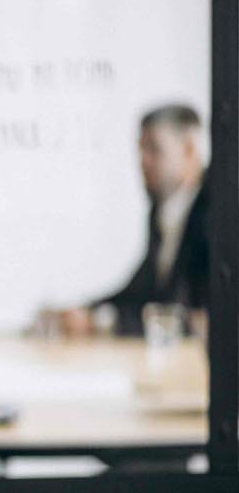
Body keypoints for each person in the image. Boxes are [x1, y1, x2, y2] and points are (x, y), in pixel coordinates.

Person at [60, 104, 210, 337]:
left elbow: (190, 315)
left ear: (190, 149)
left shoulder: (218, 212)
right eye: (141, 150)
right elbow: (143, 290)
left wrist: (103, 321)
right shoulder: (162, 211)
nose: (144, 162)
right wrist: (89, 311)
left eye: (155, 150)